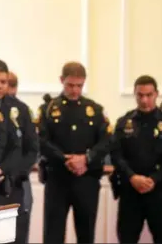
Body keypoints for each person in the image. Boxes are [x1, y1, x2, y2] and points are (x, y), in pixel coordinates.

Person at [38, 61, 111, 244]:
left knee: (86, 233)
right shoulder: (48, 109)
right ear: (61, 80)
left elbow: (107, 141)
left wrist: (86, 159)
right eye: (70, 85)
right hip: (57, 179)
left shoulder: (94, 110)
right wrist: (65, 159)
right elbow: (41, 140)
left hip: (86, 179)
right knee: (53, 234)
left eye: (79, 85)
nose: (75, 90)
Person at [110, 75, 162, 243]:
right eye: (140, 95)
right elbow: (116, 155)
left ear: (156, 94)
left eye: (149, 95)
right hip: (131, 191)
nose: (144, 100)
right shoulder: (124, 122)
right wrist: (132, 176)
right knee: (127, 238)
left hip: (160, 191)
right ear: (134, 94)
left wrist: (154, 179)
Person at [0, 59, 38, 244]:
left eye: (3, 81)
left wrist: (12, 173)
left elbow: (31, 149)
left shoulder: (20, 109)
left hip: (15, 183)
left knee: (17, 236)